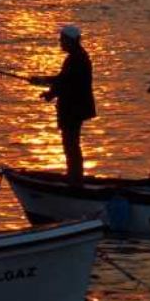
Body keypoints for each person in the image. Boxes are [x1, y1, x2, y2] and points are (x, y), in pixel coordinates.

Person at [29, 25, 96, 184]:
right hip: (75, 109)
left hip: (73, 110)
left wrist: (48, 90)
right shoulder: (78, 57)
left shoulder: (76, 59)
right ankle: (74, 176)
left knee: (71, 144)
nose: (60, 42)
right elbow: (63, 80)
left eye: (62, 40)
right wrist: (44, 83)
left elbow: (65, 82)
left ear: (70, 41)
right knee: (71, 144)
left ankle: (75, 179)